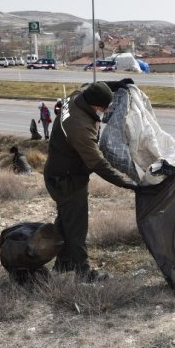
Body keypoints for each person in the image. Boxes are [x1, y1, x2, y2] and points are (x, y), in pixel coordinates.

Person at [44, 82, 137, 282]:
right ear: (96, 107)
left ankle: (63, 264)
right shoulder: (79, 127)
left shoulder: (77, 96)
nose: (106, 111)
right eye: (105, 108)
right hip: (68, 180)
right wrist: (125, 183)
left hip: (57, 172)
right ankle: (84, 273)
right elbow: (97, 163)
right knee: (77, 228)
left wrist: (116, 85)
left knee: (66, 222)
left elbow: (92, 86)